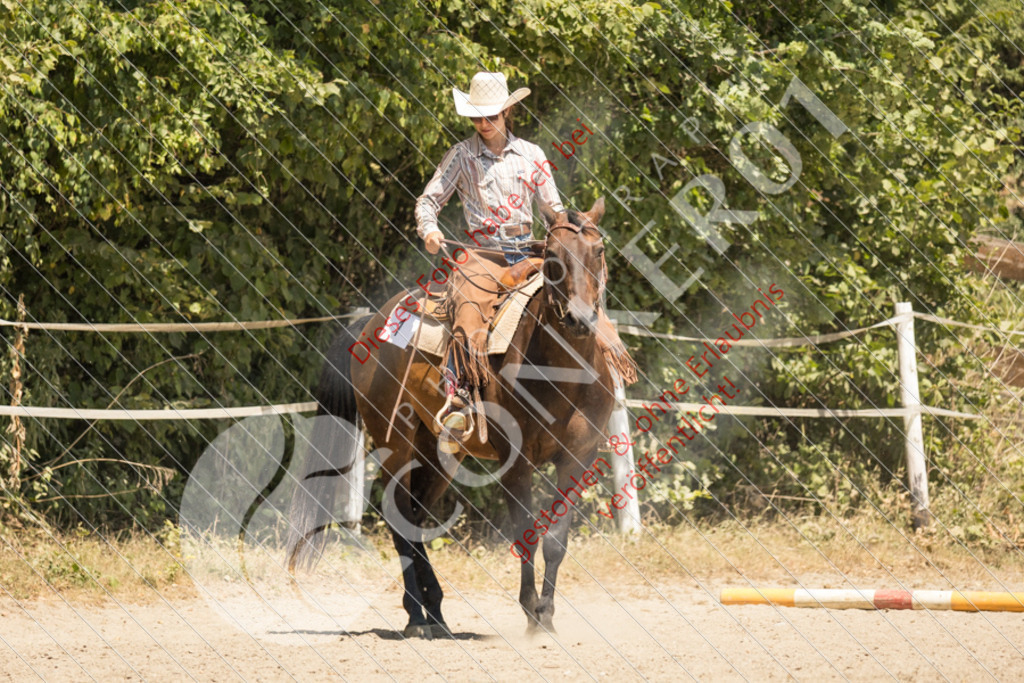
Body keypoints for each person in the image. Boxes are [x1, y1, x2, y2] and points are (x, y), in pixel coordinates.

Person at [415, 72, 633, 452]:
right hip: (482, 255)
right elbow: (428, 200)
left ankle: (608, 375)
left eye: (492, 116)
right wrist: (429, 228)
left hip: (529, 248)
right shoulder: (461, 155)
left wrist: (572, 232)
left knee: (577, 290)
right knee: (467, 312)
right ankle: (460, 397)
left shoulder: (532, 155)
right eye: (477, 118)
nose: (484, 124)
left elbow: (552, 209)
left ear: (508, 111)